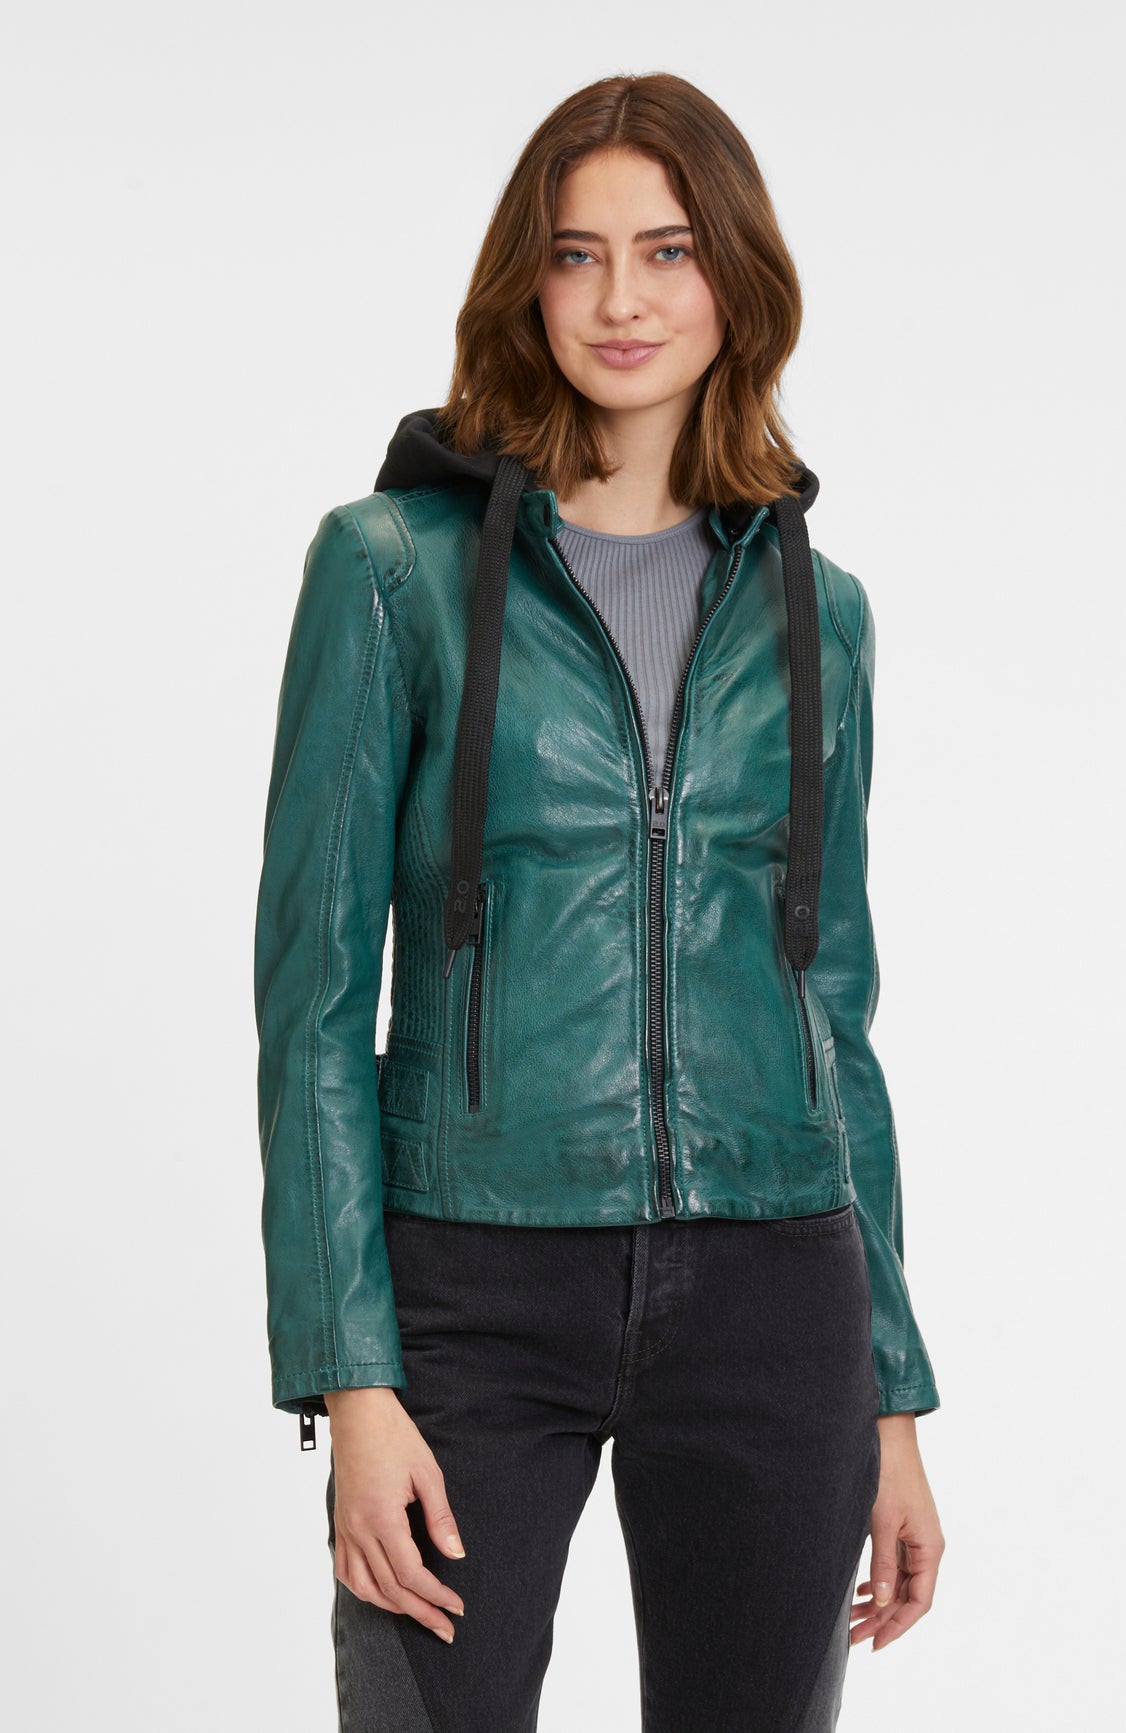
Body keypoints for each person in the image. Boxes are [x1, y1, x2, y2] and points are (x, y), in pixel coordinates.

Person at [254, 70, 945, 1733]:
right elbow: (314, 1002)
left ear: (737, 279)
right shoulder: (393, 569)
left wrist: (892, 1396)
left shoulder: (821, 611)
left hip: (776, 1285)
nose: (621, 299)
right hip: (474, 1281)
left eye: (667, 251)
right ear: (529, 283)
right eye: (578, 255)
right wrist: (352, 1373)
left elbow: (832, 1008)